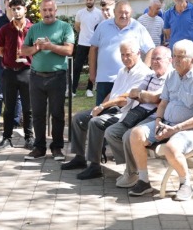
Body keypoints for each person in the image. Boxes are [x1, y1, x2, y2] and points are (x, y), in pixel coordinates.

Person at [125, 39, 193, 201]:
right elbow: (163, 103)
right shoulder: (172, 76)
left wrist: (175, 129)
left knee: (171, 147)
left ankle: (186, 184)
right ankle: (143, 181)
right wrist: (158, 121)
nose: (176, 60)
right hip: (167, 124)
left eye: (181, 56)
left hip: (192, 129)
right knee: (136, 133)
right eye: (175, 56)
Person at [63, 40, 151, 180]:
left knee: (96, 122)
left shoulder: (144, 73)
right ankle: (79, 157)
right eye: (122, 55)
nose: (125, 58)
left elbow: (125, 98)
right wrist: (100, 106)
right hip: (112, 107)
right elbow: (113, 93)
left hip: (126, 112)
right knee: (79, 118)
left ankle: (95, 165)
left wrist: (103, 107)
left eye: (128, 55)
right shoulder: (123, 70)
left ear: (138, 53)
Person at [21, 0, 74, 160]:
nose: (47, 13)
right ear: (40, 11)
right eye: (44, 10)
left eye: (50, 10)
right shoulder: (34, 28)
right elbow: (24, 50)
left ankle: (57, 148)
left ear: (55, 11)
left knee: (57, 114)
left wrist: (51, 46)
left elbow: (69, 50)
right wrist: (36, 47)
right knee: (37, 114)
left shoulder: (65, 27)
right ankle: (39, 147)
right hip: (36, 77)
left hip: (57, 77)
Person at [108, 46, 170, 181]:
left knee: (128, 136)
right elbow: (132, 93)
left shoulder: (170, 77)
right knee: (111, 132)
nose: (154, 62)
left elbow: (156, 98)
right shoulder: (150, 75)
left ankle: (132, 173)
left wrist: (142, 95)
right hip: (138, 113)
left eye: (158, 59)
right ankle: (131, 166)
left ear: (169, 60)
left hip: (155, 117)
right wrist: (145, 96)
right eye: (152, 58)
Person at [89, 0, 155, 106]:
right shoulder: (102, 26)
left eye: (126, 13)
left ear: (131, 13)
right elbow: (93, 49)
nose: (123, 15)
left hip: (128, 79)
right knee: (101, 109)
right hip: (105, 79)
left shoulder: (138, 27)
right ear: (114, 12)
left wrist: (144, 70)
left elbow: (151, 49)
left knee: (123, 110)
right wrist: (92, 73)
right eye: (120, 12)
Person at [0, 0, 32, 149]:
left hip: (27, 72)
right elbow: (0, 51)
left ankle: (29, 137)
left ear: (25, 10)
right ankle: (7, 137)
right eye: (13, 9)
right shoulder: (4, 29)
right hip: (10, 72)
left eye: (19, 8)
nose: (16, 12)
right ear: (10, 10)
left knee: (28, 108)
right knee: (9, 107)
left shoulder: (32, 28)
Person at [73, 0, 106, 93]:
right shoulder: (80, 13)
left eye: (90, 0)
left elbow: (102, 28)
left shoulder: (100, 13)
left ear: (94, 0)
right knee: (77, 67)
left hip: (94, 44)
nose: (88, 1)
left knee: (93, 66)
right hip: (82, 43)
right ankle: (73, 90)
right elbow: (77, 27)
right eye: (87, 0)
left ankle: (89, 89)